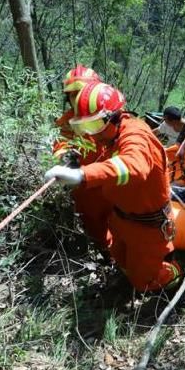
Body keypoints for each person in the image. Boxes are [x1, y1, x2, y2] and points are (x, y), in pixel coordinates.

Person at [44, 82, 182, 292]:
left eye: (94, 126)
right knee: (120, 260)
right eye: (85, 128)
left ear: (114, 116)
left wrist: (82, 174)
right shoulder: (111, 135)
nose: (93, 135)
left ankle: (172, 271)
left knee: (143, 282)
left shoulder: (135, 135)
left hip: (148, 227)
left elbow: (133, 166)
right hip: (121, 219)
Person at [50, 65, 112, 250]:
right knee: (93, 221)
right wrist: (64, 156)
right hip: (85, 183)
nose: (76, 98)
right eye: (72, 94)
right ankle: (105, 251)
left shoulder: (110, 114)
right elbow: (61, 142)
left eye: (81, 92)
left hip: (111, 175)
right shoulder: (67, 121)